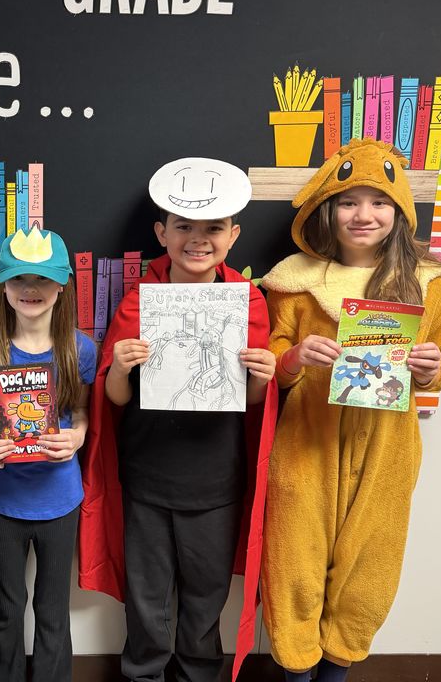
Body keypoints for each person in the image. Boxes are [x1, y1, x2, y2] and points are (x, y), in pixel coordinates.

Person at [259, 138, 441, 681]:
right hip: (307, 440)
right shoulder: (294, 281)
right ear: (327, 208)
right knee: (295, 562)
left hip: (387, 445)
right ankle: (296, 671)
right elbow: (272, 354)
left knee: (368, 565)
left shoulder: (425, 284)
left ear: (399, 212)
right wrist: (295, 357)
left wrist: (430, 369)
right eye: (349, 200)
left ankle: (335, 671)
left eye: (379, 202)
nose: (363, 214)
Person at [79, 158, 279, 682]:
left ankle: (197, 674)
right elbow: (113, 399)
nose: (198, 239)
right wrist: (119, 367)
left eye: (213, 228)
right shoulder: (139, 300)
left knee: (206, 595)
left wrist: (263, 373)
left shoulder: (248, 301)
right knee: (146, 596)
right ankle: (142, 673)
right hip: (147, 478)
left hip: (215, 481)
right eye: (184, 226)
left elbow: (254, 403)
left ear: (233, 235)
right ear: (161, 233)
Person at [0, 227, 97, 682]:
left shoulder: (79, 348)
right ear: (3, 286)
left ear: (61, 285)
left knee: (52, 607)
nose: (31, 289)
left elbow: (82, 412)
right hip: (3, 500)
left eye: (43, 280)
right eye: (20, 279)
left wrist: (78, 437)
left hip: (60, 499)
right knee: (6, 605)